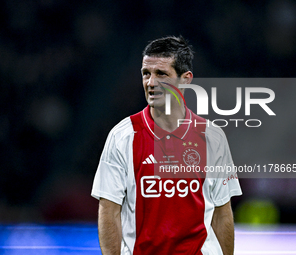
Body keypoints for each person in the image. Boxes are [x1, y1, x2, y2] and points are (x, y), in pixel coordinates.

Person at [91, 36, 242, 255]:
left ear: (186, 79)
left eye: (161, 74)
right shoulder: (122, 136)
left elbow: (222, 212)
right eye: (146, 73)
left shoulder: (212, 137)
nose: (151, 83)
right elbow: (109, 211)